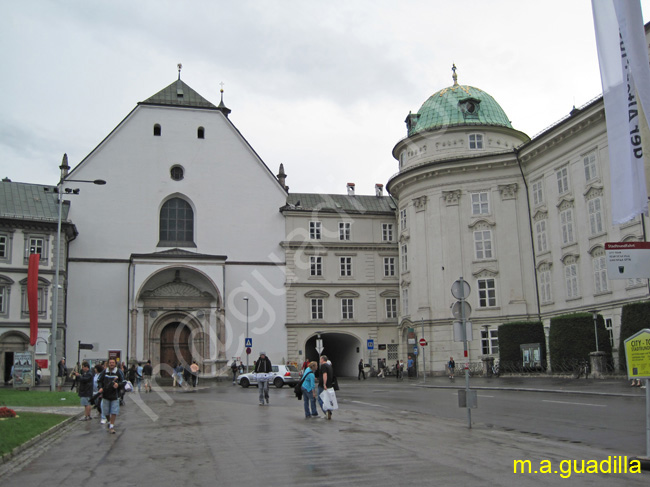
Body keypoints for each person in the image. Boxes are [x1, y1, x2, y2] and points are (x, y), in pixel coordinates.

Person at [98, 358, 126, 434]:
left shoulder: (119, 372)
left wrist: (118, 384)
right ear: (108, 364)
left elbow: (124, 382)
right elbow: (99, 380)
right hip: (106, 394)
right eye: (110, 362)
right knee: (106, 412)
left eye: (113, 362)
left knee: (114, 411)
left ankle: (111, 426)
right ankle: (109, 421)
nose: (111, 364)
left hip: (115, 395)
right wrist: (100, 387)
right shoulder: (104, 372)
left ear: (115, 363)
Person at [318, 355, 335, 420]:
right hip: (329, 385)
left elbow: (325, 374)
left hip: (323, 385)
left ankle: (326, 411)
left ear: (322, 359)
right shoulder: (329, 366)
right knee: (327, 399)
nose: (320, 360)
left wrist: (324, 384)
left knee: (320, 399)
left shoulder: (323, 366)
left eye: (320, 359)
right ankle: (329, 410)